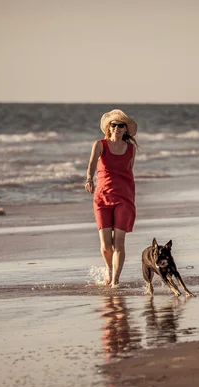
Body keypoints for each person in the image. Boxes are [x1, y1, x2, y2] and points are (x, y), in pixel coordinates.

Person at [85, 109, 139, 288]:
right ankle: (109, 268)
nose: (116, 128)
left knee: (119, 242)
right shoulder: (100, 145)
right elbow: (92, 164)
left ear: (125, 129)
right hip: (102, 198)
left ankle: (115, 279)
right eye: (113, 125)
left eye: (120, 125)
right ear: (109, 128)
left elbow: (129, 170)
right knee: (106, 245)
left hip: (124, 197)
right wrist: (89, 179)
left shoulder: (130, 149)